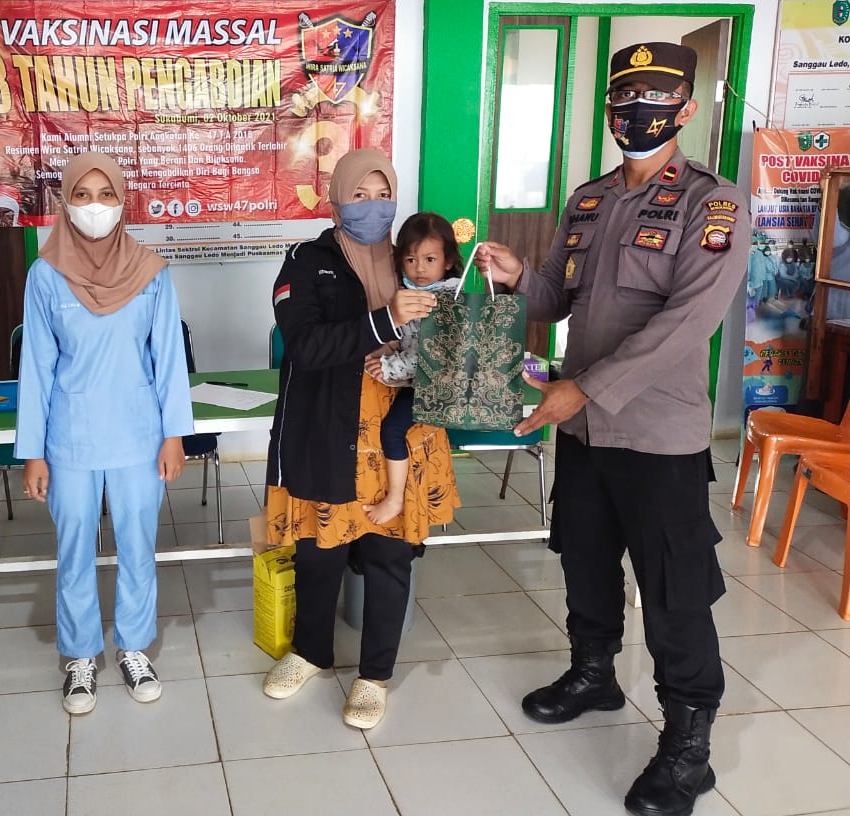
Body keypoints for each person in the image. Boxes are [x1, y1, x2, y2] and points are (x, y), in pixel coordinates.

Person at [476, 42, 748, 816]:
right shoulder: (589, 200)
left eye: (655, 100)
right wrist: (515, 278)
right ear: (608, 110)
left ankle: (688, 747)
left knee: (674, 592)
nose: (637, 113)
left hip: (657, 438)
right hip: (585, 433)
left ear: (684, 109)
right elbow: (556, 299)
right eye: (625, 100)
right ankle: (594, 675)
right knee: (586, 561)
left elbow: (686, 323)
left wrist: (584, 389)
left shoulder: (714, 204)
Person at [261, 148, 459, 730]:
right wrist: (385, 320)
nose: (373, 207)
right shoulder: (307, 261)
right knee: (319, 550)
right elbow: (306, 346)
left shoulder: (411, 259)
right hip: (328, 429)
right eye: (359, 195)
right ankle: (310, 653)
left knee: (390, 557)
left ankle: (374, 677)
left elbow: (453, 341)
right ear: (335, 200)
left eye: (383, 195)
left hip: (399, 437)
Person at [15, 151, 193, 717]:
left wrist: (174, 434)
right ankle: (79, 655)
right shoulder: (46, 274)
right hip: (69, 438)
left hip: (139, 434)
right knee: (74, 549)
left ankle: (134, 647)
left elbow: (168, 359)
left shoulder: (151, 272)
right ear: (65, 203)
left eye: (107, 195)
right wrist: (33, 452)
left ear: (123, 201)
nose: (95, 207)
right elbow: (36, 367)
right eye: (83, 195)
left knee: (138, 543)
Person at [365, 212, 461, 523]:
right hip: (418, 381)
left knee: (392, 431)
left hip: (436, 387)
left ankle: (395, 498)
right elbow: (407, 337)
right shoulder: (409, 293)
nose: (419, 268)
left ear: (448, 261)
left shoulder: (445, 301)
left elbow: (431, 357)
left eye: (430, 259)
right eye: (410, 259)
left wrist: (387, 368)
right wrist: (389, 346)